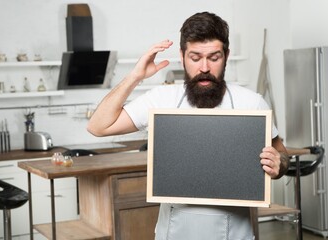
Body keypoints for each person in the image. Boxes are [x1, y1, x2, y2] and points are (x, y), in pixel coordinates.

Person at [87, 11, 289, 240]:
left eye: (214, 57)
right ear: (182, 56)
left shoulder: (251, 102)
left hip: (234, 233)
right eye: (195, 57)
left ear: (227, 55)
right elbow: (98, 127)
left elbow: (282, 155)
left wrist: (277, 165)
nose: (204, 67)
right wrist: (135, 76)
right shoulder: (162, 99)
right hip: (174, 232)